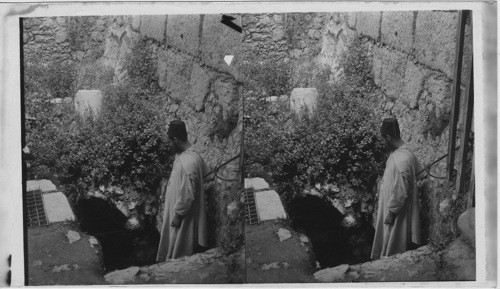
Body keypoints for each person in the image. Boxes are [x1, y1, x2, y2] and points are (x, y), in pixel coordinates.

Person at [371, 118, 423, 259]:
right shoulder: (405, 153)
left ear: (388, 137)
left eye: (382, 139)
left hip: (396, 213)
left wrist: (391, 213)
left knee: (393, 246)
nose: (382, 143)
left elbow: (401, 191)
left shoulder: (402, 159)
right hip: (392, 207)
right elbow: (420, 173)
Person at [156, 120, 208, 262]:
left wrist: (177, 216)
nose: (168, 145)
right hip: (177, 209)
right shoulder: (191, 155)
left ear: (176, 140)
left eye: (170, 141)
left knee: (179, 247)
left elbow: (188, 195)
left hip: (183, 215)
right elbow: (206, 174)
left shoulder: (188, 162)